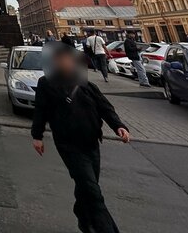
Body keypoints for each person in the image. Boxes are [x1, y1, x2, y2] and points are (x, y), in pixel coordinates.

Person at [32, 42, 130, 233]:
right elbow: (40, 111)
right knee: (93, 191)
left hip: (92, 143)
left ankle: (83, 216)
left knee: (87, 185)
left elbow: (104, 106)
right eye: (62, 60)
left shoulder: (83, 82)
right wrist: (37, 136)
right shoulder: (47, 83)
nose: (67, 63)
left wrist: (119, 126)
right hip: (69, 145)